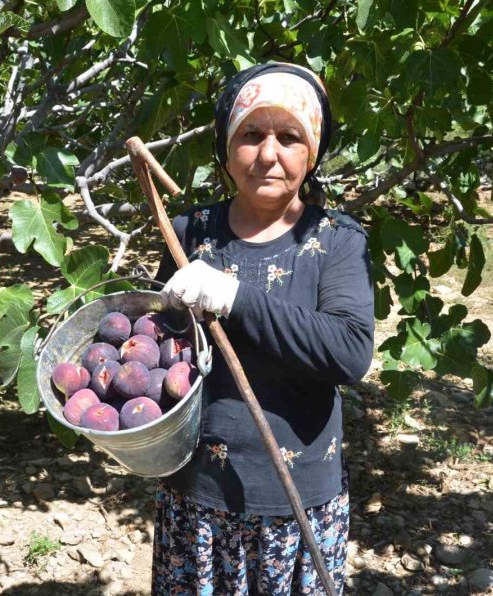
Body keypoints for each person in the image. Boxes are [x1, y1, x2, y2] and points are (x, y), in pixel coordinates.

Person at [154, 62, 375, 595]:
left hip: (297, 499)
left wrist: (234, 297)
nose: (269, 154)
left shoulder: (337, 240)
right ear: (228, 149)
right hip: (197, 493)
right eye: (251, 134)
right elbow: (162, 349)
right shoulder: (190, 233)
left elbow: (349, 352)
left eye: (289, 137)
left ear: (312, 152)